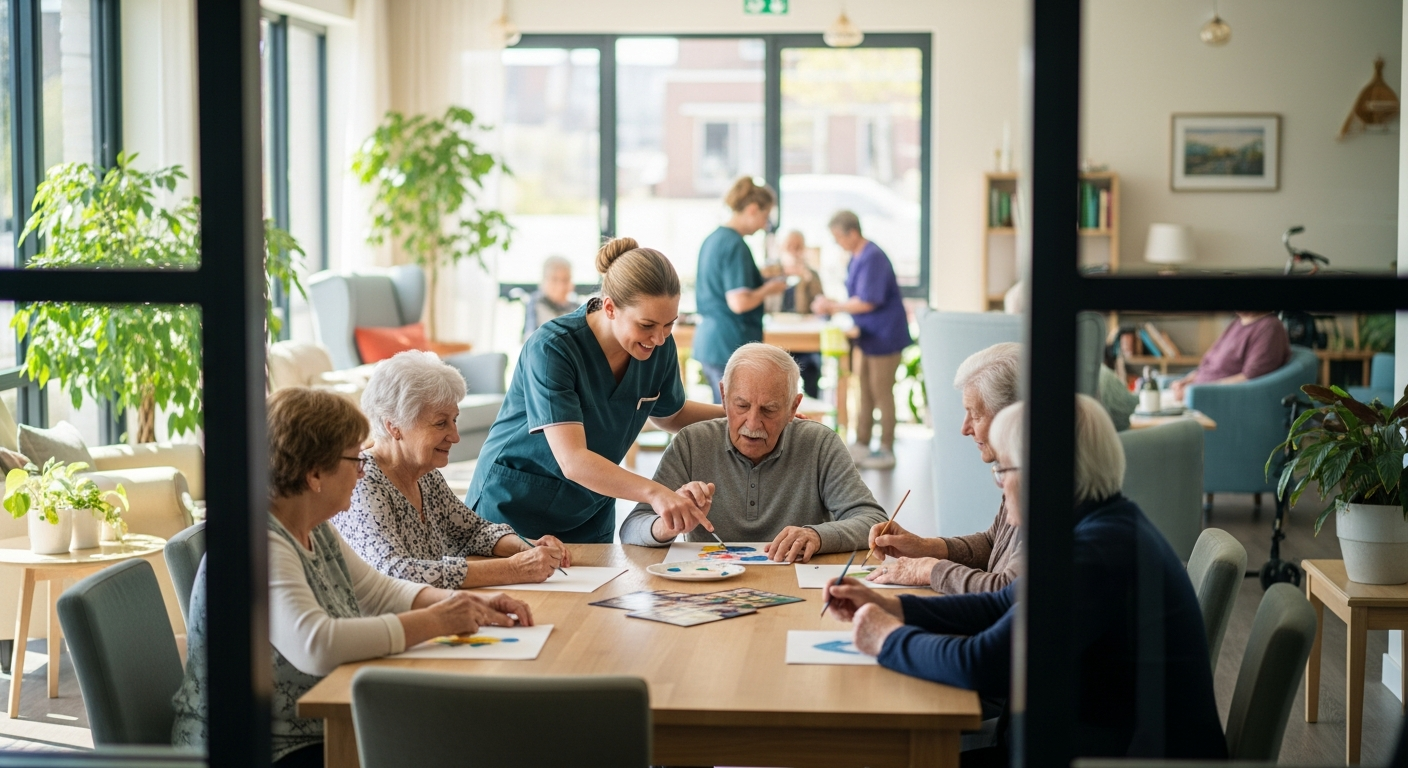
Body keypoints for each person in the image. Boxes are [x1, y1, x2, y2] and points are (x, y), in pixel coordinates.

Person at [824, 395, 1227, 761]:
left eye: (1003, 470)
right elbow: (1002, 602)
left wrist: (886, 637)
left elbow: (980, 663)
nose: (999, 483)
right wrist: (891, 605)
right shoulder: (1102, 525)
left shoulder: (1094, 554)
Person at [172, 388, 533, 766]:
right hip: (258, 747)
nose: (363, 470)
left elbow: (378, 591)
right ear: (314, 474)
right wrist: (437, 621)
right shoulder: (258, 543)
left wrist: (464, 604)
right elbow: (317, 645)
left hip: (312, 725)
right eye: (355, 459)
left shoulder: (313, 525)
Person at [466, 237, 725, 543]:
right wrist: (656, 493)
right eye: (646, 325)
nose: (658, 338)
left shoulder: (658, 346)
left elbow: (672, 413)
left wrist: (742, 416)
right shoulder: (553, 349)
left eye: (669, 324)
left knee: (599, 592)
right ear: (610, 307)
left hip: (589, 510)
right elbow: (573, 459)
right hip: (514, 507)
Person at [620, 343, 887, 561]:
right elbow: (632, 528)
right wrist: (666, 524)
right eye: (742, 405)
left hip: (796, 589)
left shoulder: (820, 444)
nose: (752, 423)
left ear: (794, 407)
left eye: (769, 410)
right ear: (723, 396)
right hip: (711, 593)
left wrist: (817, 536)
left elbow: (873, 521)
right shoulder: (691, 442)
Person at [332, 351, 570, 588]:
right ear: (394, 426)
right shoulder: (362, 481)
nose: (455, 436)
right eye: (440, 423)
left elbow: (473, 532)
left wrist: (528, 547)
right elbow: (395, 573)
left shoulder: (426, 476)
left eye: (454, 420)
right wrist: (515, 569)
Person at [865, 343, 1021, 593]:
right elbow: (994, 543)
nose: (965, 428)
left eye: (976, 414)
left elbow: (1007, 590)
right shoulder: (1016, 468)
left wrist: (929, 569)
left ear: (1012, 416)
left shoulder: (1037, 481)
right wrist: (924, 547)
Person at [812, 210, 912, 470]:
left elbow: (868, 301)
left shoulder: (872, 257)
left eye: (838, 237)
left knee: (881, 392)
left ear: (852, 233)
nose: (837, 243)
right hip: (868, 336)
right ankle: (863, 443)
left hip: (885, 337)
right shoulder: (856, 258)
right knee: (864, 391)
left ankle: (887, 448)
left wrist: (833, 306)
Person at [693, 176, 788, 404]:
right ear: (753, 210)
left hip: (711, 340)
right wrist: (769, 289)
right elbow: (739, 301)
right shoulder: (736, 245)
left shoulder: (714, 238)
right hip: (729, 341)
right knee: (733, 418)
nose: (765, 225)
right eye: (765, 217)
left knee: (723, 412)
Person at [1169, 311, 1290, 401]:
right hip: (1196, 394)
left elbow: (1251, 378)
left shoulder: (1270, 327)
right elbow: (1208, 364)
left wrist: (1197, 391)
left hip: (1216, 400)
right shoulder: (1237, 322)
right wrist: (1185, 382)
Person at [764, 230, 826, 399]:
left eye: (798, 247)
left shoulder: (811, 274)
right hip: (776, 335)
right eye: (789, 246)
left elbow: (820, 305)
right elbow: (764, 303)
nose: (793, 250)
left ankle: (811, 411)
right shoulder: (770, 271)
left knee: (812, 367)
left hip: (803, 336)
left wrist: (806, 280)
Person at [522, 255, 580, 341]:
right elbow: (530, 337)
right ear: (544, 280)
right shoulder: (536, 303)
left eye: (565, 280)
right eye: (554, 279)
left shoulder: (577, 308)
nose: (560, 286)